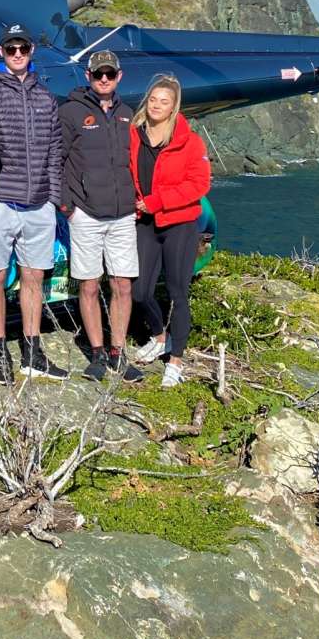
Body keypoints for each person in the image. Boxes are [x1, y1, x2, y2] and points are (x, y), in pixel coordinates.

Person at [0, 23, 66, 383]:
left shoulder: (46, 98)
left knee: (34, 277)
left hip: (39, 204)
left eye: (23, 49)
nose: (17, 54)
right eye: (11, 49)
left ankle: (32, 351)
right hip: (0, 202)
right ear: (1, 52)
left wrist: (54, 198)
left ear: (32, 51)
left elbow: (55, 150)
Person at [58, 50, 142, 382]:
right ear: (88, 76)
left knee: (122, 285)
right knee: (90, 285)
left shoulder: (128, 114)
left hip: (122, 214)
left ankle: (118, 352)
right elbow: (56, 160)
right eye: (97, 74)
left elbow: (138, 161)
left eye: (109, 73)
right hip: (86, 215)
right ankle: (96, 354)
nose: (103, 79)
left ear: (119, 76)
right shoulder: (70, 113)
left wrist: (139, 199)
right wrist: (68, 207)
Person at [127, 74, 211, 387]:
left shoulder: (189, 140)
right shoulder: (134, 134)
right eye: (153, 100)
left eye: (165, 102)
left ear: (174, 106)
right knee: (140, 291)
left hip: (179, 223)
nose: (157, 106)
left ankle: (175, 360)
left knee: (177, 292)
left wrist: (157, 201)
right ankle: (159, 336)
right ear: (146, 101)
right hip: (145, 222)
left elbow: (200, 184)